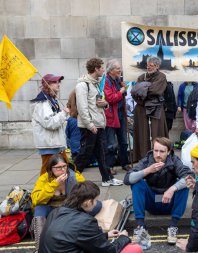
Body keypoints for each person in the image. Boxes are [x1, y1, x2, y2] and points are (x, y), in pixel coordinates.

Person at [124, 137, 194, 248]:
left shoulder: (175, 160)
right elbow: (127, 179)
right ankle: (140, 227)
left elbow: (189, 177)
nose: (158, 154)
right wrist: (148, 170)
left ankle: (173, 226)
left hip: (169, 203)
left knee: (184, 184)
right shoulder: (147, 160)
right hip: (152, 203)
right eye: (155, 150)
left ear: (169, 151)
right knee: (137, 183)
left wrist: (172, 189)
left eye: (162, 151)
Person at [39, 181, 142, 253]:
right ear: (88, 203)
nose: (97, 203)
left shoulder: (56, 212)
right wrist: (123, 238)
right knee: (134, 249)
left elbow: (72, 236)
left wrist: (105, 235)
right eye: (96, 200)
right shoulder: (85, 221)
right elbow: (110, 250)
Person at [74, 57, 122, 187]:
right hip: (90, 126)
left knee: (102, 153)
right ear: (95, 69)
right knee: (84, 154)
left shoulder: (96, 83)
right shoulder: (82, 85)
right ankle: (71, 178)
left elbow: (99, 104)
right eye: (101, 68)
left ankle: (107, 179)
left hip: (99, 124)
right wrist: (90, 125)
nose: (103, 70)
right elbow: (82, 108)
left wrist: (105, 104)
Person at [31, 154, 85, 252]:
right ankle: (39, 247)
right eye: (58, 167)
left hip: (68, 207)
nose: (63, 170)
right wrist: (54, 184)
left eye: (64, 166)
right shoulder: (44, 179)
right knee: (39, 209)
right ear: (51, 169)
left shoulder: (75, 177)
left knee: (95, 206)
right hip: (50, 208)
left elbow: (86, 192)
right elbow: (36, 199)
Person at [31, 74, 69, 175]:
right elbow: (50, 123)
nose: (58, 84)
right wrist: (63, 113)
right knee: (46, 173)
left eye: (58, 82)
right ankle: (40, 191)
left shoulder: (50, 101)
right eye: (55, 82)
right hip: (49, 145)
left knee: (64, 169)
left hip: (55, 143)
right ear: (47, 85)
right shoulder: (43, 103)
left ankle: (62, 189)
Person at [133, 56, 169, 161]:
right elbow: (135, 92)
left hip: (156, 110)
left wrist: (143, 89)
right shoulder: (141, 77)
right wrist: (145, 90)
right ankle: (144, 157)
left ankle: (159, 157)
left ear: (157, 66)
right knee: (143, 134)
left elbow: (156, 91)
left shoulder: (161, 77)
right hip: (142, 109)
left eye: (151, 65)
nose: (148, 67)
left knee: (156, 133)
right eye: (147, 65)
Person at [103, 59, 131, 174]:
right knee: (111, 143)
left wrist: (124, 90)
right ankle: (109, 165)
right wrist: (121, 92)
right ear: (111, 70)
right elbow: (110, 98)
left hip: (121, 114)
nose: (120, 70)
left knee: (124, 141)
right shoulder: (105, 82)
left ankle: (124, 163)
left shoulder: (118, 80)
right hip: (111, 116)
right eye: (118, 68)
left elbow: (122, 96)